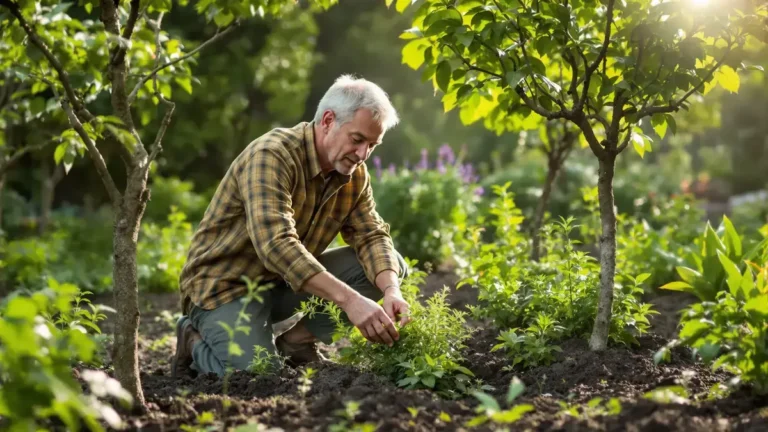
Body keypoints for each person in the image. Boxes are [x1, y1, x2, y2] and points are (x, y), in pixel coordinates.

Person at [171, 75, 411, 378]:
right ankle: (192, 340)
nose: (363, 154)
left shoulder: (354, 173)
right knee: (259, 376)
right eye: (357, 139)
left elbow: (372, 234)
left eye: (372, 145)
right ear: (327, 120)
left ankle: (296, 342)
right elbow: (277, 245)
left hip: (281, 284)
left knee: (388, 267)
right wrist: (351, 302)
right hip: (224, 289)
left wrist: (391, 290)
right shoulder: (272, 155)